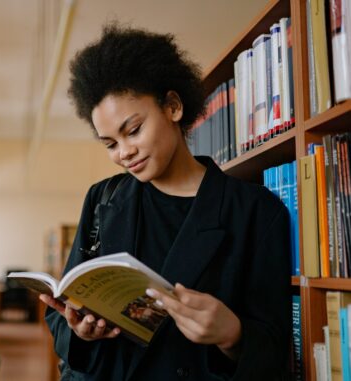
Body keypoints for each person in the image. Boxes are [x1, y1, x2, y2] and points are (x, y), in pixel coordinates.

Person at [40, 24, 291, 380]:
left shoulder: (256, 211)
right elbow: (61, 319)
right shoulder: (102, 199)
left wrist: (232, 335)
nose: (125, 153)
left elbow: (276, 345)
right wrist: (79, 332)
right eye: (110, 143)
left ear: (173, 106)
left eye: (133, 130)